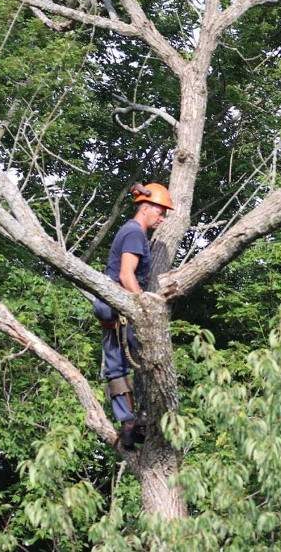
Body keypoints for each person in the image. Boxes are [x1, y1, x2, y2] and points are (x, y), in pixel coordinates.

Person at [93, 182, 174, 448]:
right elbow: (127, 275)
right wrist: (143, 306)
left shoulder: (129, 231)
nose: (162, 219)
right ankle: (142, 416)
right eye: (160, 213)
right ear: (147, 207)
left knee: (116, 366)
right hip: (120, 305)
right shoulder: (134, 233)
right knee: (143, 359)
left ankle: (127, 424)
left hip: (109, 306)